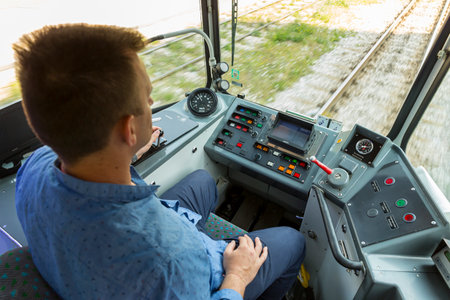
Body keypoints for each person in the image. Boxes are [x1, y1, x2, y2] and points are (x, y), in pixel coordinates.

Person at [13, 24, 305, 299]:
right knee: (292, 241)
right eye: (148, 98)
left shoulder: (32, 169)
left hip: (103, 249)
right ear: (128, 129)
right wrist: (238, 276)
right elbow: (174, 262)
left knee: (203, 182)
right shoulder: (168, 262)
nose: (151, 105)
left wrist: (127, 151)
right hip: (200, 269)